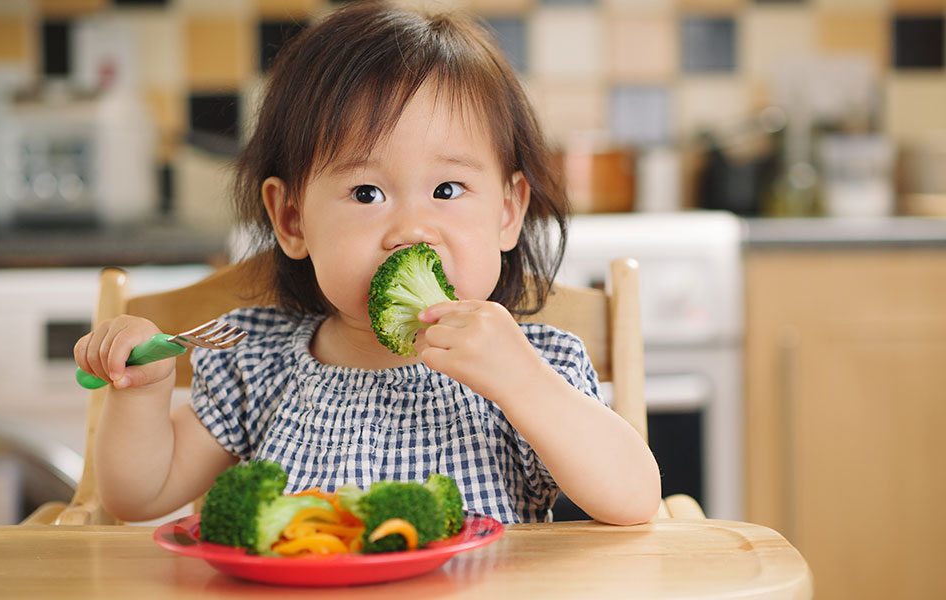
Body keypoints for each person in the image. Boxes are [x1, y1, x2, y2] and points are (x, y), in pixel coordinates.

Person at [74, 1, 660, 526]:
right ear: (293, 220)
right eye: (366, 194)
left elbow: (634, 500)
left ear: (508, 213)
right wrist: (142, 395)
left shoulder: (538, 365)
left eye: (449, 189)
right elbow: (138, 497)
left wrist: (525, 384)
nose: (410, 230)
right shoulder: (258, 362)